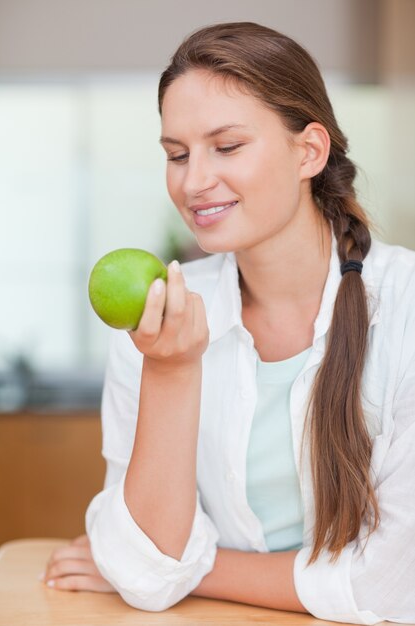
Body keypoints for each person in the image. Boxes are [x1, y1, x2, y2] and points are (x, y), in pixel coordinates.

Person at [44, 22, 415, 624]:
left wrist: (186, 570)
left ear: (309, 151)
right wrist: (170, 370)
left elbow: (391, 586)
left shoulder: (405, 309)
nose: (193, 182)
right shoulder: (160, 323)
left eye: (228, 146)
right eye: (176, 154)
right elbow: (144, 571)